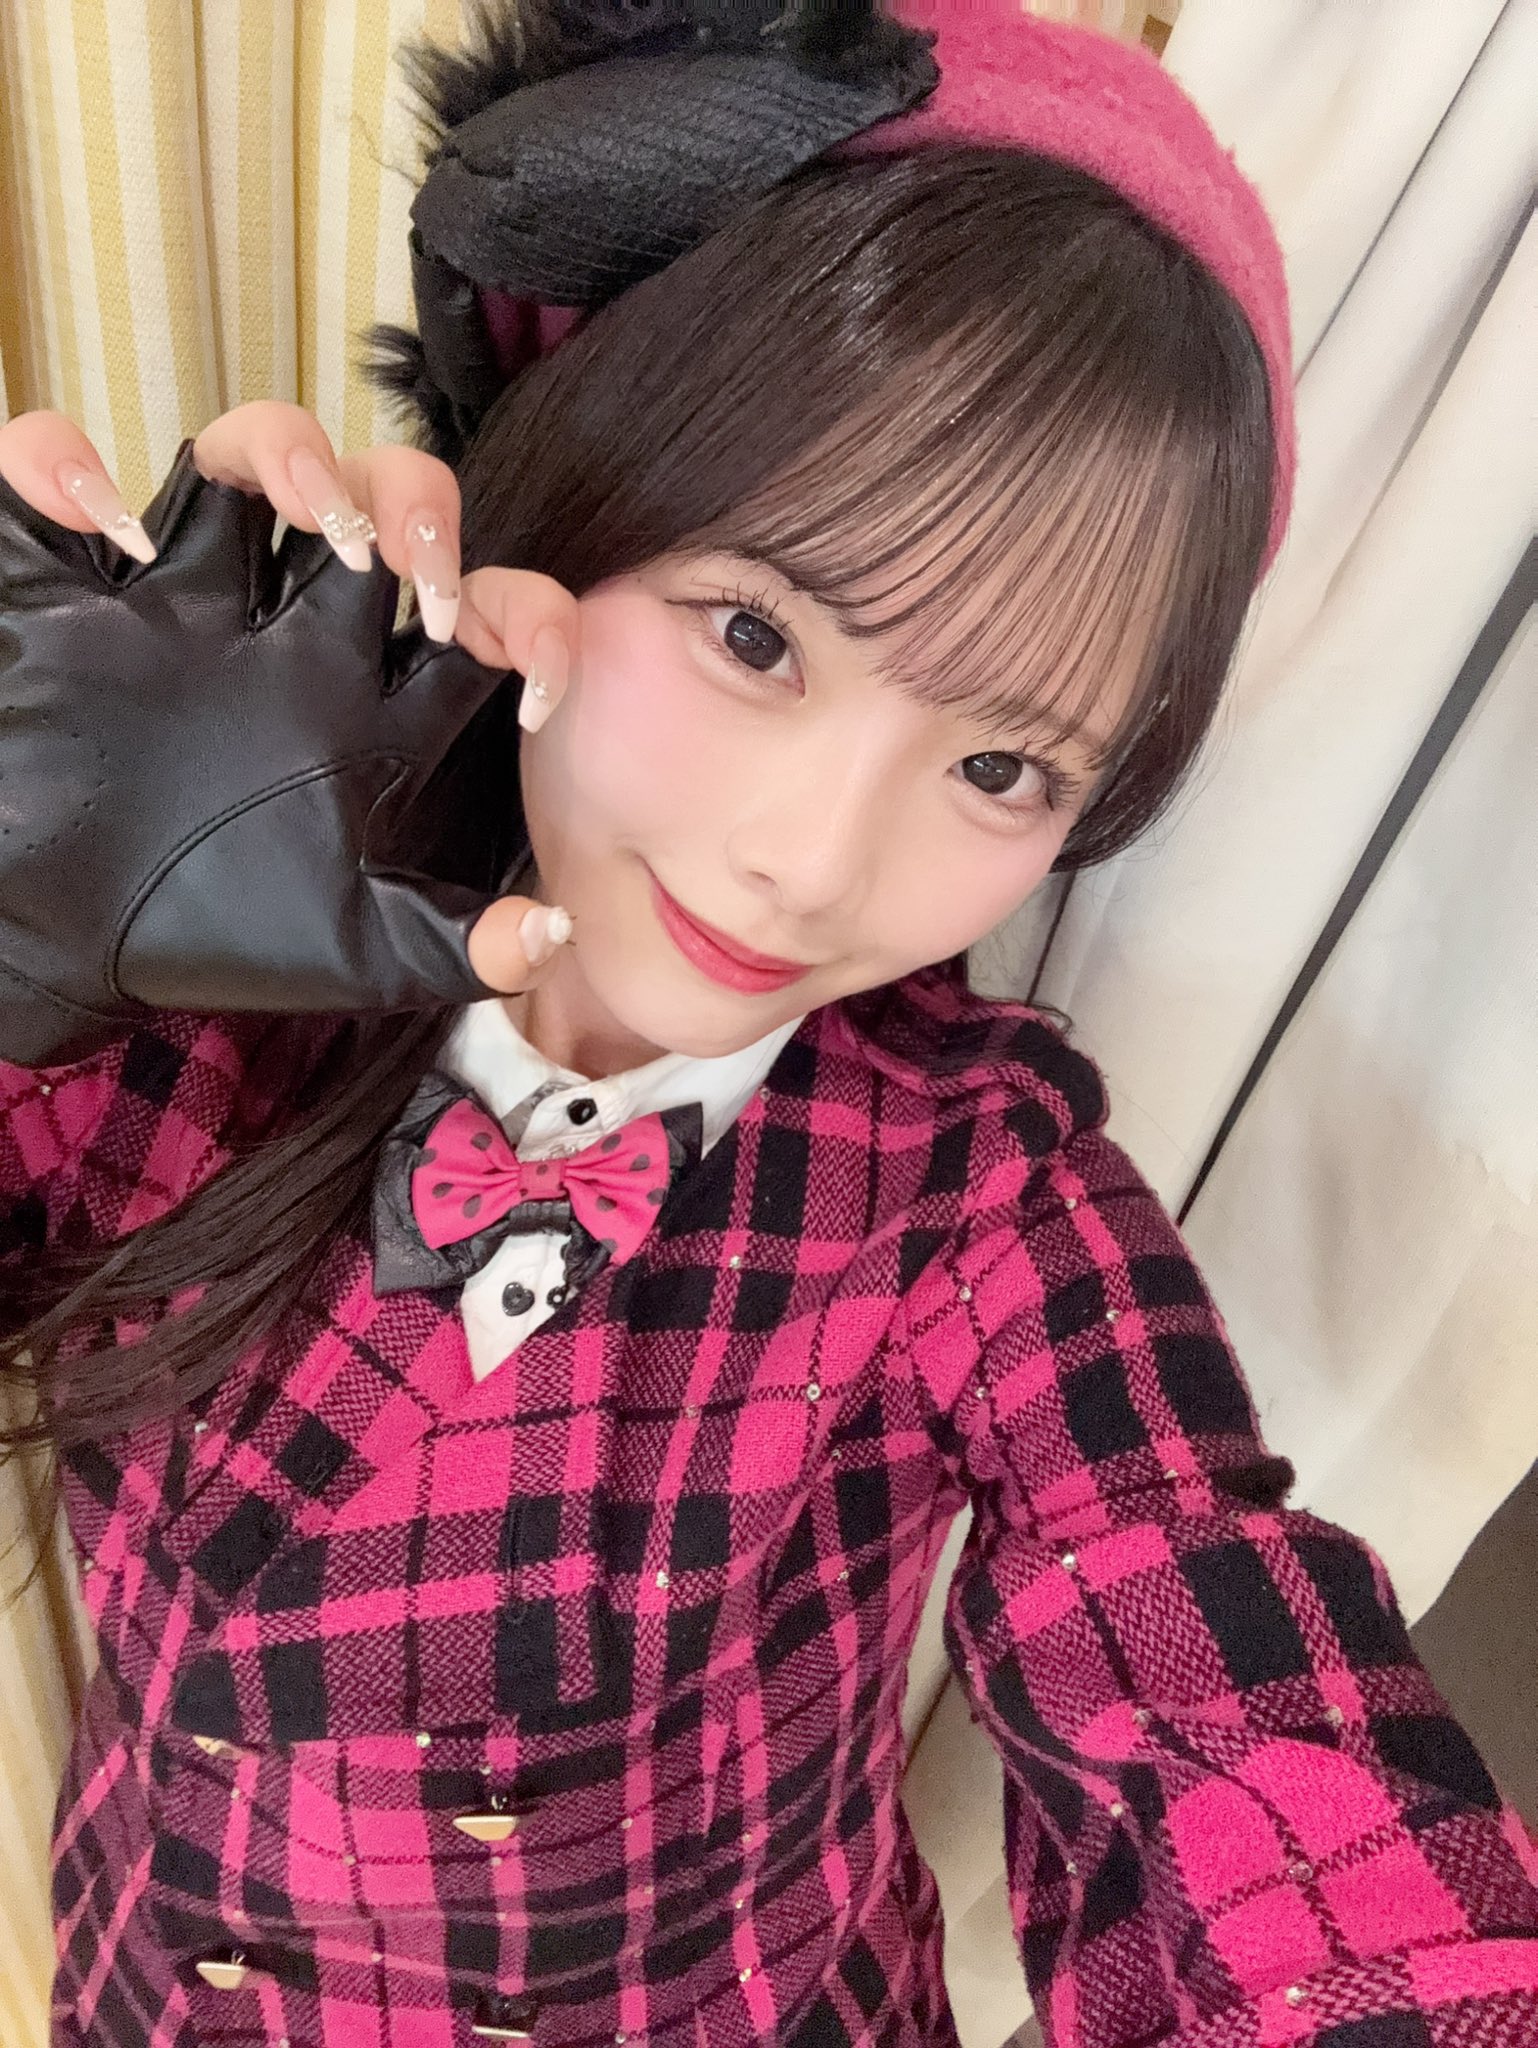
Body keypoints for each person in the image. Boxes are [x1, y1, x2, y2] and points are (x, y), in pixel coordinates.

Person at [0, 4, 1533, 2045]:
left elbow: (1217, 1679)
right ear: (557, 497)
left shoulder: (972, 1191)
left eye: (1002, 767)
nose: (807, 863)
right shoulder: (192, 990)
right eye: (754, 634)